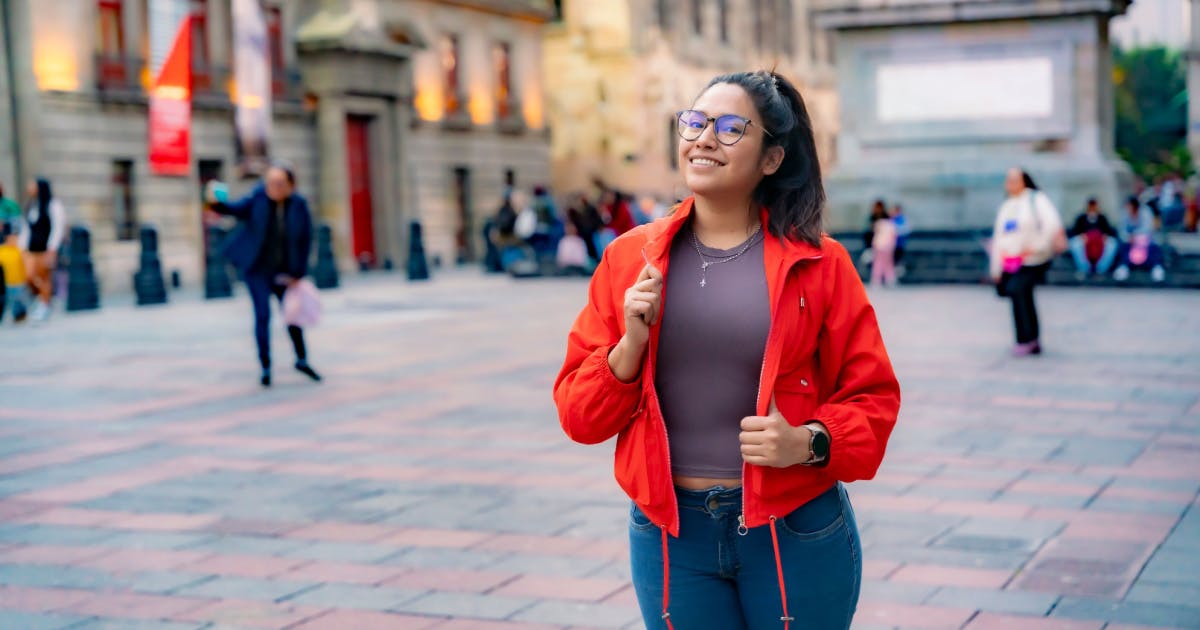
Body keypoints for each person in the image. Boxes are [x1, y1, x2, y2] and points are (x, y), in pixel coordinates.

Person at [554, 70, 900, 630]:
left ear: (771, 159)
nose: (704, 138)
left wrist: (808, 442)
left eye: (732, 127)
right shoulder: (628, 259)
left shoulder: (820, 263)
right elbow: (578, 415)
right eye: (694, 121)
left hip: (794, 528)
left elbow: (874, 398)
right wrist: (629, 345)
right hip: (670, 531)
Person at [206, 164, 321, 387]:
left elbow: (306, 240)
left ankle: (301, 359)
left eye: (279, 183)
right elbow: (234, 209)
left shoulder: (299, 205)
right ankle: (265, 366)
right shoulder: (257, 198)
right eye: (270, 182)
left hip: (285, 272)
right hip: (257, 269)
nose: (273, 188)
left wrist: (299, 273)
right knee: (262, 315)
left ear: (290, 185)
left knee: (292, 314)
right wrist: (215, 201)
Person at [989, 169, 1066, 357]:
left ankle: (1026, 339)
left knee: (1018, 290)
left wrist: (1038, 247)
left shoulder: (1036, 199)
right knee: (1020, 295)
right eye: (1008, 180)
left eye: (1015, 179)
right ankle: (1030, 339)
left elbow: (1052, 225)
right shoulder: (1007, 206)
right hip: (1011, 261)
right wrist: (996, 268)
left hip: (1033, 259)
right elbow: (999, 238)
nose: (1010, 183)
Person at [18, 178, 66, 322]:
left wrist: (53, 248)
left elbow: (58, 227)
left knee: (45, 278)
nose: (29, 187)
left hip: (46, 249)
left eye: (32, 185)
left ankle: (44, 305)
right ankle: (43, 299)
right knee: (29, 276)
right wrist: (22, 247)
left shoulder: (53, 205)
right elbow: (26, 229)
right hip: (32, 249)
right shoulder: (31, 205)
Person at [1112, 196, 1166, 283]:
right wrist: (1128, 237)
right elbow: (1121, 230)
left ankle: (1157, 268)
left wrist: (1136, 237)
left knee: (1154, 247)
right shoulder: (1125, 213)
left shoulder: (1146, 212)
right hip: (1130, 241)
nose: (1127, 209)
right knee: (1122, 246)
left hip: (1146, 240)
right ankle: (1123, 267)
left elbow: (1148, 229)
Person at [1066, 197, 1119, 278]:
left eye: (1094, 205)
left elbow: (1110, 231)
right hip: (1084, 241)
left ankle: (1101, 269)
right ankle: (1084, 269)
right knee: (1075, 244)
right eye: (1091, 205)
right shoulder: (1081, 218)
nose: (1093, 207)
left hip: (1100, 241)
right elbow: (1073, 232)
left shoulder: (1102, 218)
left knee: (1112, 244)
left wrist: (1104, 237)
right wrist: (1081, 236)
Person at [0, 220, 27, 323]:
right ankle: (8, 315)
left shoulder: (19, 250)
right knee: (9, 300)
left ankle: (20, 315)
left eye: (15, 239)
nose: (14, 241)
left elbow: (24, 264)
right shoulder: (2, 250)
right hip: (7, 282)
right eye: (12, 239)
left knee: (19, 300)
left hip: (19, 281)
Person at [870, 212, 898, 287]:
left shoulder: (878, 223)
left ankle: (876, 280)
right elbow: (894, 236)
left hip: (878, 245)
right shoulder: (891, 225)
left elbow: (875, 234)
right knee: (888, 263)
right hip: (888, 246)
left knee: (878, 263)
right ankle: (890, 280)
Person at [890, 203, 910, 270]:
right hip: (891, 244)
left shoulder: (902, 219)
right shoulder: (891, 219)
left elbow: (905, 230)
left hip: (899, 244)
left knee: (898, 259)